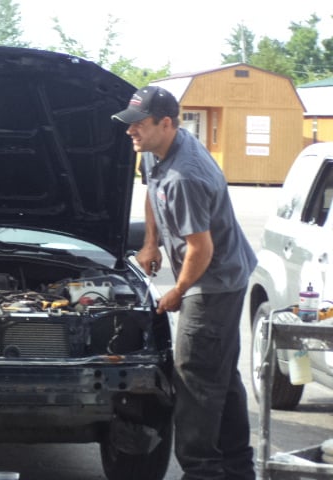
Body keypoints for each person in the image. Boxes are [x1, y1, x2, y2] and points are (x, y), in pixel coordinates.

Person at [111, 86, 257, 480]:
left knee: (194, 381)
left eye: (139, 124)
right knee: (220, 375)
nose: (130, 131)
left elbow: (201, 249)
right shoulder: (156, 151)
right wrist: (151, 242)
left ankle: (202, 472)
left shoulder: (185, 176)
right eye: (129, 124)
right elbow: (151, 191)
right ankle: (238, 469)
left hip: (213, 284)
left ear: (166, 123)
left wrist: (177, 291)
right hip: (219, 275)